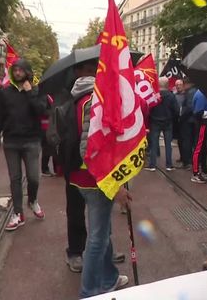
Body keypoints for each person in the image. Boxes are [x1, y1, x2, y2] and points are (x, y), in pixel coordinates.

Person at [68, 70, 130, 297]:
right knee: (97, 239)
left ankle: (109, 277)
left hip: (79, 176)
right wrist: (116, 185)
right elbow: (91, 150)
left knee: (103, 230)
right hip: (96, 180)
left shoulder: (78, 98)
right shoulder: (95, 102)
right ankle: (90, 291)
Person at [0, 59, 47, 231]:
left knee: (33, 177)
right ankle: (18, 213)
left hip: (31, 140)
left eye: (20, 70)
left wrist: (30, 93)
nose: (17, 73)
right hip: (11, 141)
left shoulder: (37, 90)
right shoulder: (5, 93)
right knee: (14, 178)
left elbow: (42, 111)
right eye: (15, 70)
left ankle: (32, 200)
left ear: (27, 72)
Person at [145, 77, 179, 171]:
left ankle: (152, 165)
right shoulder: (171, 96)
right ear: (167, 85)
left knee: (154, 143)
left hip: (155, 122)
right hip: (168, 122)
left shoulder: (154, 95)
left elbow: (149, 108)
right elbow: (176, 110)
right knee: (168, 144)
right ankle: (169, 165)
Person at [191, 89, 207, 183]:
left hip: (205, 124)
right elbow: (198, 113)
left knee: (204, 148)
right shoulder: (201, 95)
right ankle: (195, 173)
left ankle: (204, 170)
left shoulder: (204, 93)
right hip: (202, 124)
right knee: (199, 148)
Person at [178, 78, 196, 170]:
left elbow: (189, 107)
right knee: (192, 141)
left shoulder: (189, 93)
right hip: (193, 120)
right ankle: (192, 160)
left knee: (186, 141)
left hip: (187, 120)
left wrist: (182, 117)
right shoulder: (195, 91)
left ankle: (187, 161)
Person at [174, 79, 186, 164]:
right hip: (176, 120)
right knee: (179, 140)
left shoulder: (186, 95)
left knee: (185, 140)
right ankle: (182, 156)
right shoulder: (174, 95)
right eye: (177, 84)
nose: (178, 86)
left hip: (184, 119)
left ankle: (186, 158)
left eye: (180, 84)